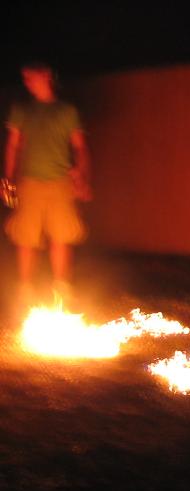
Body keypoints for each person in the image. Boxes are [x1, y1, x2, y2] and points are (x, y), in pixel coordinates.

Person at [4, 62, 91, 310]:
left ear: (46, 76)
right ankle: (25, 289)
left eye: (30, 77)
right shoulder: (21, 110)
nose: (26, 82)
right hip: (29, 182)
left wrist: (81, 176)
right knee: (26, 237)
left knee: (61, 236)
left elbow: (80, 147)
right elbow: (13, 146)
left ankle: (62, 289)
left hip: (60, 183)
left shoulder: (67, 111)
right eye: (24, 78)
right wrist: (8, 180)